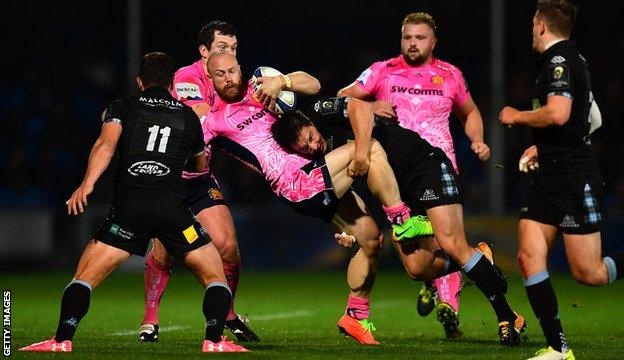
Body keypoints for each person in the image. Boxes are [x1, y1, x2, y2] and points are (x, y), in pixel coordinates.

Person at [19, 52, 249, 353]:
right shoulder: (188, 116)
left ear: (140, 81)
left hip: (129, 211)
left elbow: (105, 145)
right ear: (172, 83)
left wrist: (86, 184)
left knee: (85, 276)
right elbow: (197, 165)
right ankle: (214, 340)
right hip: (174, 213)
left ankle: (61, 340)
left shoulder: (121, 107)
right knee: (214, 275)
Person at [204, 51, 432, 345]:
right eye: (220, 75)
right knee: (370, 148)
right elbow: (194, 155)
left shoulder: (258, 88)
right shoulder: (213, 120)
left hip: (315, 174)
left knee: (371, 240)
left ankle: (355, 316)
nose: (229, 79)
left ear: (239, 67)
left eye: (232, 70)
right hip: (297, 183)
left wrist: (281, 81)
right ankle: (401, 220)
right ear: (211, 80)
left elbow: (312, 85)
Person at [271, 95, 527, 346]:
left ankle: (507, 317)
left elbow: (359, 107)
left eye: (311, 138)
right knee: (418, 267)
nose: (313, 147)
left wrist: (361, 152)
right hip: (399, 192)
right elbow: (345, 192)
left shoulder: (319, 110)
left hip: (424, 166)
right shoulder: (316, 158)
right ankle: (477, 259)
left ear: (308, 121)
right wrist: (348, 230)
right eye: (304, 149)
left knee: (452, 244)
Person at [338, 12, 490, 338]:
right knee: (415, 260)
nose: (413, 44)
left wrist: (477, 139)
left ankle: (449, 305)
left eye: (420, 38)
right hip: (396, 175)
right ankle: (435, 281)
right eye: (408, 37)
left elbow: (471, 111)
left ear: (433, 42)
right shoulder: (382, 71)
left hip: (440, 168)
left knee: (448, 242)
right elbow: (342, 96)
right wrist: (371, 104)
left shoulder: (450, 75)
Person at [499, 1, 624, 359]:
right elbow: (591, 117)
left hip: (573, 177)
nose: (531, 32)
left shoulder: (559, 62)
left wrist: (517, 116)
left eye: (532, 25)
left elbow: (559, 113)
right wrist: (542, 148)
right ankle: (558, 348)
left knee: (590, 273)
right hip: (551, 174)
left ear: (541, 25)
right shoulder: (572, 60)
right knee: (528, 255)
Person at [138, 21, 259, 343]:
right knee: (164, 252)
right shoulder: (186, 77)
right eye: (221, 48)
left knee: (228, 246)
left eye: (233, 49)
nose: (228, 54)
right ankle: (150, 320)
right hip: (168, 179)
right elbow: (199, 112)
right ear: (204, 51)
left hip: (200, 178)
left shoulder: (233, 82)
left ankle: (228, 313)